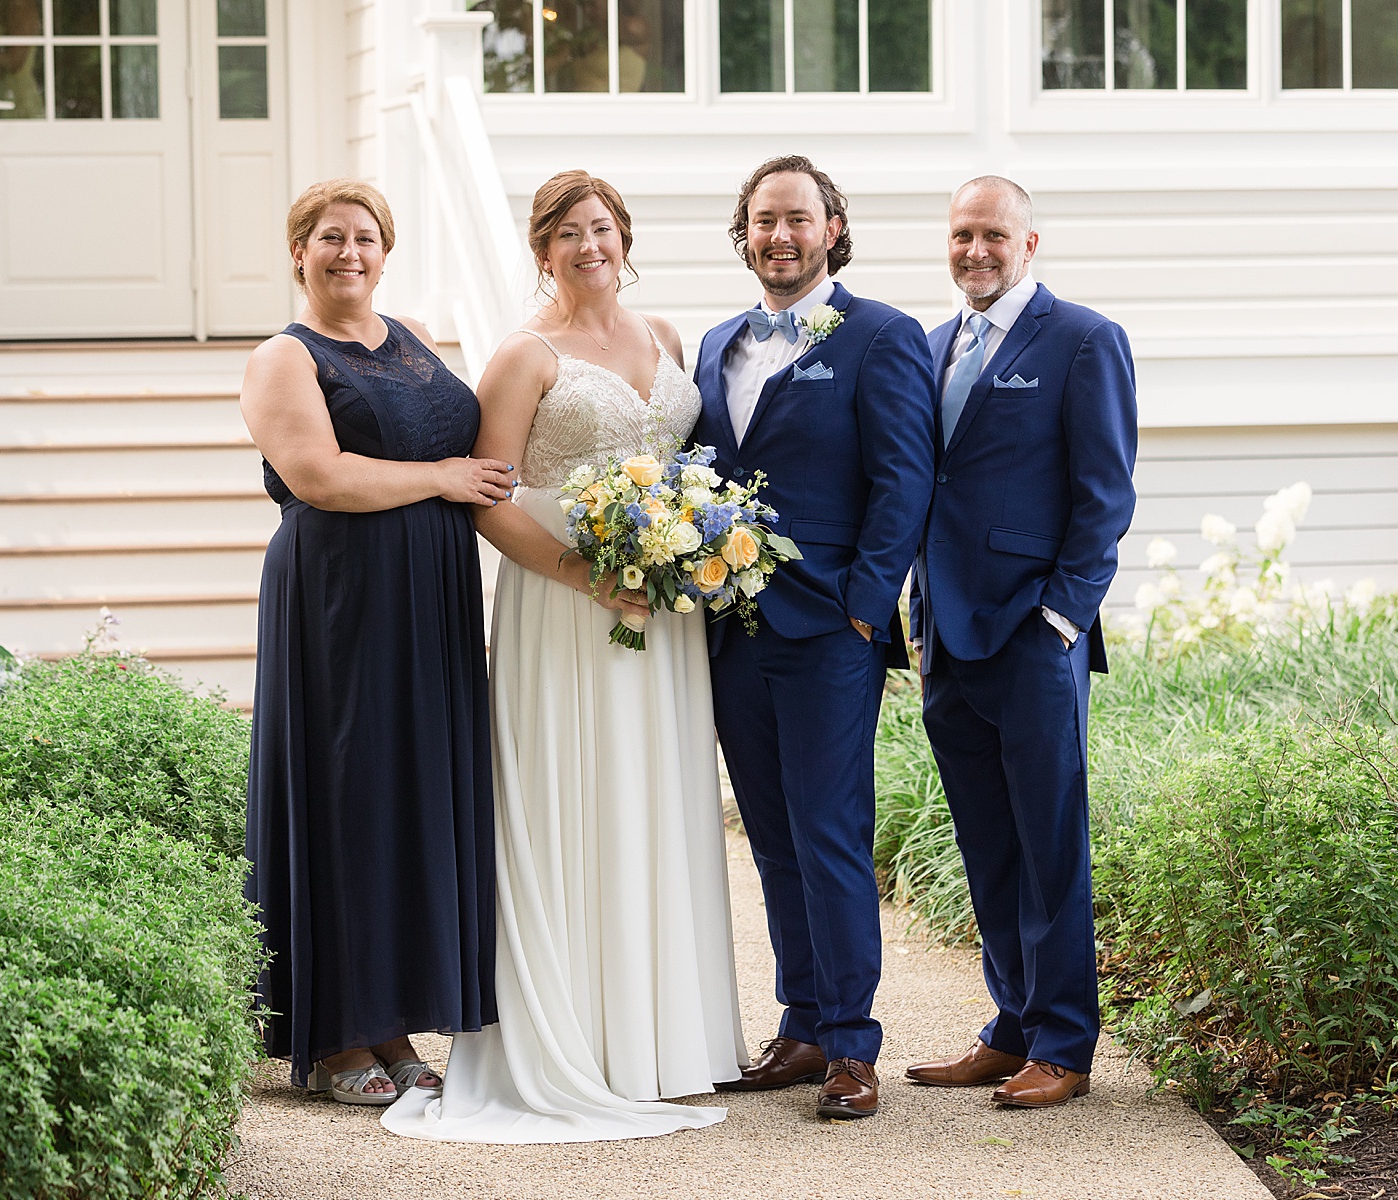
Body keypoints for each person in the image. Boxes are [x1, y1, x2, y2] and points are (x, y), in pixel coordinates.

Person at [383, 169, 747, 1144]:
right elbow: (488, 496)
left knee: (656, 801)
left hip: (661, 613)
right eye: (570, 234)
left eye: (605, 229)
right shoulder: (523, 355)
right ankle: (571, 1040)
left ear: (625, 238)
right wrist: (588, 576)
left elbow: (683, 470)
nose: (592, 247)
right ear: (542, 250)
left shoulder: (666, 338)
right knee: (568, 801)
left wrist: (690, 551)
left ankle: (657, 1044)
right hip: (563, 603)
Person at [242, 179, 511, 1107]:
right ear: (298, 254)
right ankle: (341, 1036)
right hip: (341, 600)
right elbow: (320, 476)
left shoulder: (410, 340)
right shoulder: (285, 357)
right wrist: (445, 475)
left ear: (385, 253)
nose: (348, 252)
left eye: (364, 238)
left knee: (407, 793)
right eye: (328, 238)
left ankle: (395, 1020)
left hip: (427, 599)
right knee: (348, 790)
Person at [690, 155, 936, 1121]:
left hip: (830, 626)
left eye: (797, 218)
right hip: (732, 632)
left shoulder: (881, 336)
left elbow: (904, 481)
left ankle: (851, 1044)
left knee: (830, 833)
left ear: (833, 228)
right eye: (761, 221)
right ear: (743, 235)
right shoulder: (717, 344)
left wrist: (865, 610)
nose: (778, 236)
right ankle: (799, 1025)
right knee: (773, 838)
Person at [905, 175, 1137, 1108]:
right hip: (946, 639)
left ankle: (1066, 1046)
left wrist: (1059, 618)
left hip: (1034, 637)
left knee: (1049, 844)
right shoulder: (930, 345)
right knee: (987, 842)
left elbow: (1106, 496)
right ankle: (1011, 1025)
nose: (976, 251)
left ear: (1030, 244)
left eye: (994, 235)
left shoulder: (1084, 340)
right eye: (962, 235)